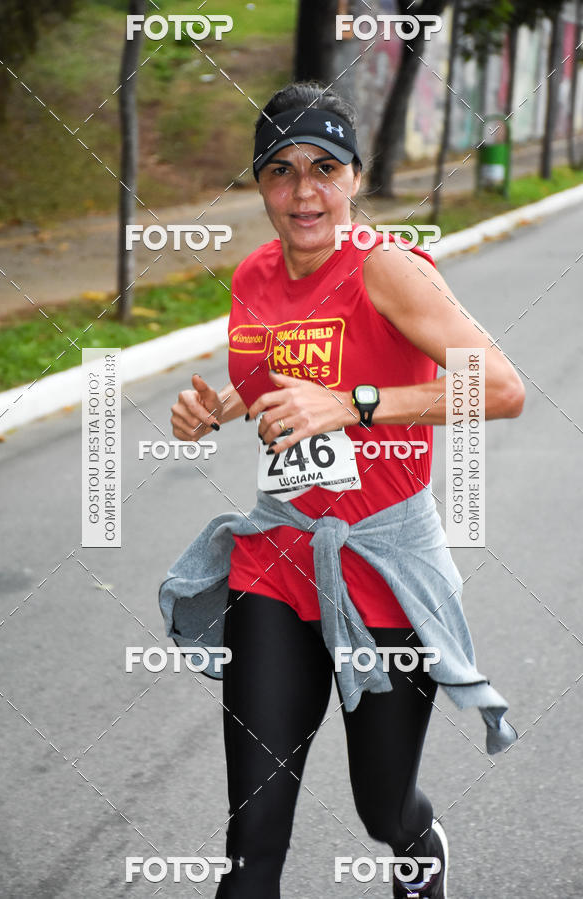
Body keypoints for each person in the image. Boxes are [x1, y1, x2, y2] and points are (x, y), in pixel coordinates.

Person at [163, 81, 525, 898]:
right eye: (281, 171)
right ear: (259, 184)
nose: (304, 192)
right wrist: (215, 408)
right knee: (251, 841)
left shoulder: (387, 270)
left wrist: (355, 405)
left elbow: (501, 389)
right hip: (278, 562)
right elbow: (274, 386)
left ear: (354, 177)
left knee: (382, 805)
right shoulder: (253, 278)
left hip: (385, 570)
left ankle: (416, 840)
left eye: (324, 167)